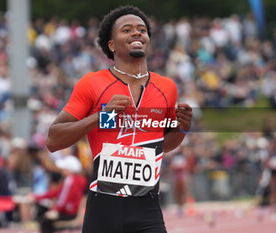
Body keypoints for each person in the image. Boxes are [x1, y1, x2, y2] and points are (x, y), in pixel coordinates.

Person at [46, 5, 192, 233]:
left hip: (147, 209)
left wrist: (181, 128)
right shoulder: (92, 83)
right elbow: (53, 140)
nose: (137, 33)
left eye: (142, 30)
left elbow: (163, 145)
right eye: (127, 30)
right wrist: (99, 117)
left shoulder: (167, 87)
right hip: (103, 209)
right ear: (111, 45)